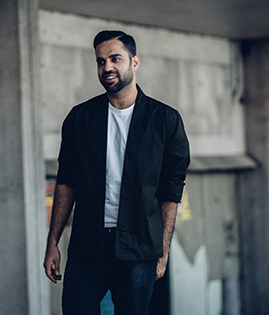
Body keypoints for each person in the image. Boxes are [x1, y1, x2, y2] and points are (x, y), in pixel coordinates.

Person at [43, 30, 190, 315]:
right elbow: (66, 183)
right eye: (100, 61)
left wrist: (162, 250)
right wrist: (53, 243)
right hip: (87, 246)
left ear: (134, 62)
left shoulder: (165, 121)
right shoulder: (80, 118)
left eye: (115, 59)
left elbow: (171, 191)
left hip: (138, 249)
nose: (107, 67)